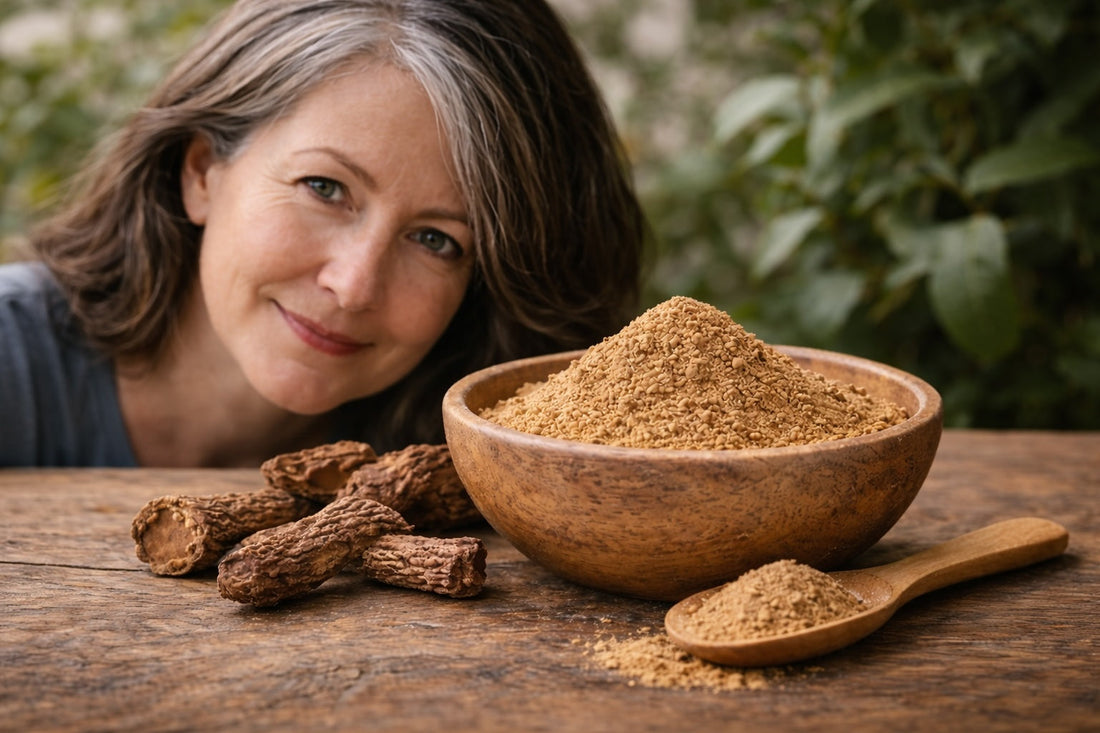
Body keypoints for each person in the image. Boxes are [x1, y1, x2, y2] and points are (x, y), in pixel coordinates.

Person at [0, 0, 646, 467]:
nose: (355, 284)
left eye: (436, 240)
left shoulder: (474, 467)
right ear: (200, 172)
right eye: (325, 188)